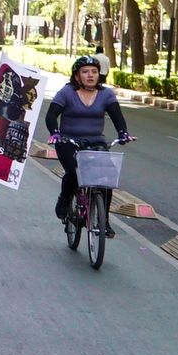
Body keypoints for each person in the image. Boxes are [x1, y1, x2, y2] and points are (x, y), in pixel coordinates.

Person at [45, 56, 130, 227]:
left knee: (106, 179)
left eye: (94, 72)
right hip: (68, 141)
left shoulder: (106, 94)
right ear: (77, 76)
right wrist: (55, 133)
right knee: (74, 173)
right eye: (85, 72)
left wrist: (123, 133)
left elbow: (117, 116)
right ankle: (65, 199)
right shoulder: (67, 92)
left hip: (96, 141)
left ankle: (104, 221)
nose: (90, 75)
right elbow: (51, 115)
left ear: (100, 74)